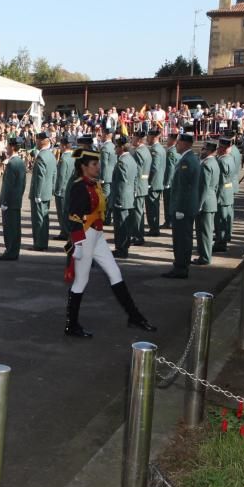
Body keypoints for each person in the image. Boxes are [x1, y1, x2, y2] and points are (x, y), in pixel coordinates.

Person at [63, 149, 156, 338]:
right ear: (84, 167)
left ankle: (134, 316)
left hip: (97, 235)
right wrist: (78, 244)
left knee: (115, 273)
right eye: (94, 164)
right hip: (86, 236)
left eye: (98, 164)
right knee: (81, 281)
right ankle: (71, 325)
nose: (98, 167)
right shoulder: (79, 186)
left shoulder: (94, 184)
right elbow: (73, 216)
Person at [162, 133, 201, 279]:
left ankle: (181, 267)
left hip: (183, 208)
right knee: (181, 238)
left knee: (181, 239)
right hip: (184, 207)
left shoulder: (187, 161)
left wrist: (179, 209)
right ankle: (180, 265)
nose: (176, 145)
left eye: (178, 143)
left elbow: (184, 189)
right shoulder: (187, 159)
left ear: (185, 144)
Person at [0, 140, 26, 261]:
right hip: (16, 200)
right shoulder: (20, 162)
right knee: (15, 228)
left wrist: (5, 202)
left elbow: (8, 186)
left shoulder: (12, 163)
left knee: (9, 228)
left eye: (7, 146)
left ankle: (10, 252)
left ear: (12, 148)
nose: (6, 149)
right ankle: (14, 251)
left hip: (10, 202)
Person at [28, 133, 56, 251]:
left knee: (38, 219)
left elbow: (40, 177)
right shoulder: (51, 155)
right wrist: (52, 190)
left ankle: (39, 243)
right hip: (47, 192)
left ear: (42, 141)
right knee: (44, 218)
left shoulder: (41, 156)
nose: (36, 142)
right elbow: (54, 174)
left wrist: (37, 194)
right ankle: (43, 242)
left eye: (37, 140)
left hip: (39, 193)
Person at [194, 141, 219, 266]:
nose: (201, 151)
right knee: (206, 231)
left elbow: (203, 187)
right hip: (211, 200)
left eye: (203, 149)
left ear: (208, 150)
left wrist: (198, 204)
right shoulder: (214, 162)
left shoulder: (206, 165)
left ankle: (205, 257)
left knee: (204, 232)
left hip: (205, 203)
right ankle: (204, 255)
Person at [111, 135, 136, 258]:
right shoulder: (130, 159)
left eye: (116, 146)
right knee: (124, 225)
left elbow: (122, 183)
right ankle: (123, 247)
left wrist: (118, 199)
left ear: (121, 148)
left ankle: (121, 249)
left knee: (121, 225)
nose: (115, 149)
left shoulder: (122, 161)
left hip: (122, 198)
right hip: (129, 197)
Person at [213, 138, 236, 253]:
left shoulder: (221, 161)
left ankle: (220, 243)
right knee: (224, 219)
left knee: (220, 221)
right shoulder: (230, 159)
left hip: (221, 193)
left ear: (221, 148)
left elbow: (219, 180)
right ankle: (222, 240)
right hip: (228, 192)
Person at [131, 131, 152, 244]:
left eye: (133, 138)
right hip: (143, 184)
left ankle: (138, 236)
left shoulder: (138, 152)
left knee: (137, 212)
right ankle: (138, 234)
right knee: (139, 211)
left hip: (138, 186)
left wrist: (134, 188)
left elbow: (137, 172)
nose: (132, 141)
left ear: (138, 140)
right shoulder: (146, 151)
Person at [53, 138, 75, 240]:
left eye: (61, 146)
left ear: (64, 146)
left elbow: (61, 176)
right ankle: (67, 231)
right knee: (67, 212)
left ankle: (64, 232)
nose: (60, 148)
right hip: (71, 188)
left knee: (62, 213)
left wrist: (57, 190)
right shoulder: (74, 157)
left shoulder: (64, 159)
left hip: (62, 190)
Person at [146, 129, 166, 236]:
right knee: (154, 206)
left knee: (152, 207)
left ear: (154, 137)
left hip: (154, 183)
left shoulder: (155, 150)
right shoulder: (161, 148)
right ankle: (154, 228)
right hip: (158, 182)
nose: (147, 139)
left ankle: (154, 229)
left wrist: (149, 182)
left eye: (148, 137)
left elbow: (154, 168)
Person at [99, 131, 116, 226]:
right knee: (109, 197)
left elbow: (104, 164)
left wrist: (102, 177)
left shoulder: (105, 148)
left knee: (105, 198)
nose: (101, 136)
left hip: (106, 177)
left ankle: (106, 218)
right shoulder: (113, 146)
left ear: (105, 135)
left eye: (102, 134)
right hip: (112, 175)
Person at [162, 133, 179, 228]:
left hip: (170, 182)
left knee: (168, 202)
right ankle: (171, 221)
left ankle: (169, 221)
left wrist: (167, 182)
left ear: (173, 141)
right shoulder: (176, 151)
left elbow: (170, 168)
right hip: (175, 182)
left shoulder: (171, 152)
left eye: (168, 139)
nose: (166, 140)